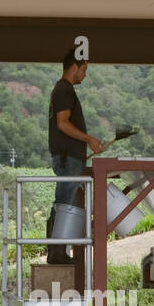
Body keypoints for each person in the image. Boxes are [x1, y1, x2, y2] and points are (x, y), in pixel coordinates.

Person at [46, 49, 105, 264]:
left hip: (69, 157)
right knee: (64, 203)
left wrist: (85, 143)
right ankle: (57, 252)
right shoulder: (64, 89)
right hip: (67, 158)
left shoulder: (62, 90)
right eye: (84, 69)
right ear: (74, 66)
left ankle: (57, 251)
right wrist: (88, 139)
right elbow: (62, 124)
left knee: (64, 202)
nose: (85, 74)